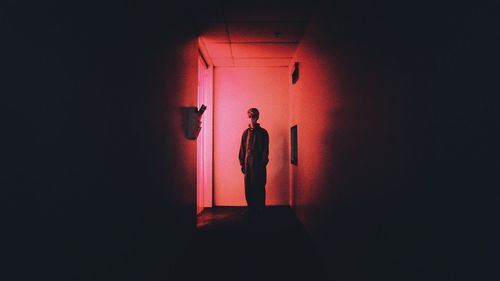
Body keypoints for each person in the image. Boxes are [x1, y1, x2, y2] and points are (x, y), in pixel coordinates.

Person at [239, 108, 269, 217]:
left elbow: (265, 150)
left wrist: (262, 164)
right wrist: (242, 164)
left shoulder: (263, 133)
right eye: (250, 117)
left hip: (259, 165)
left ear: (257, 117)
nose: (252, 119)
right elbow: (242, 149)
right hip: (248, 165)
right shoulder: (245, 133)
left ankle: (261, 209)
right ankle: (251, 208)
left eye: (254, 117)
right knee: (248, 186)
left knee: (260, 186)